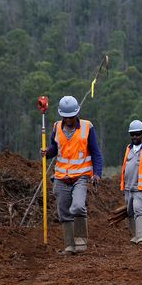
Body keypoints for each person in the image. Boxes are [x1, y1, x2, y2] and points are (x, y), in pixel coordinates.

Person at [42, 95, 103, 255]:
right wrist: (47, 152)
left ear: (77, 113)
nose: (68, 120)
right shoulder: (56, 127)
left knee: (77, 206)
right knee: (64, 212)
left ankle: (81, 241)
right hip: (61, 177)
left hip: (81, 176)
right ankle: (69, 246)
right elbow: (55, 149)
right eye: (65, 117)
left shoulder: (87, 127)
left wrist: (97, 174)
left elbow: (96, 153)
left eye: (71, 117)